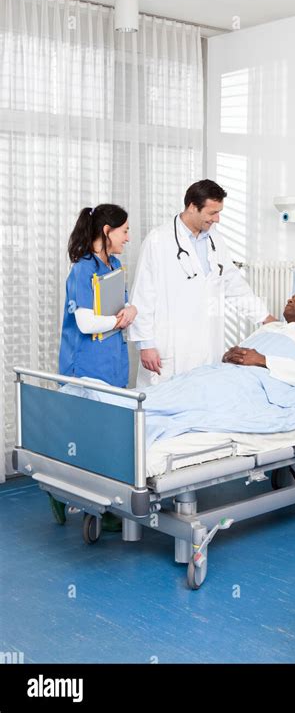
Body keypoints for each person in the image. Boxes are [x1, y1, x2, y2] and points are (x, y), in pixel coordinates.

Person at [129, 179, 275, 387]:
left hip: (206, 340)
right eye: (212, 213)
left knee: (203, 398)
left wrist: (264, 316)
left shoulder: (215, 239)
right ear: (192, 207)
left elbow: (234, 283)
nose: (217, 219)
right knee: (162, 405)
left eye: (219, 212)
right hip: (170, 345)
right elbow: (143, 295)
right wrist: (146, 344)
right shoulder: (158, 240)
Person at [51, 203, 137, 528]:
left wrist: (131, 311)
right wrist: (120, 318)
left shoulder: (113, 265)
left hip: (112, 364)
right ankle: (63, 496)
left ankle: (106, 507)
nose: (128, 237)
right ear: (106, 231)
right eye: (124, 231)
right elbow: (86, 323)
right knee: (84, 441)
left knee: (109, 437)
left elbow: (122, 306)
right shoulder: (82, 269)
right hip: (85, 367)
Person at [222, 289, 295, 387]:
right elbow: (240, 352)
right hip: (227, 372)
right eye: (292, 298)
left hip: (258, 381)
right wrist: (229, 356)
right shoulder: (271, 327)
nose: (289, 300)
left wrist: (263, 360)